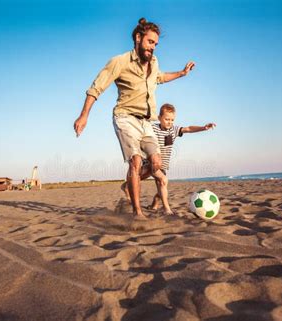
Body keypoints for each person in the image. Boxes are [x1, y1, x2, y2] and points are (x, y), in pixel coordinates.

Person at [74, 18, 195, 218]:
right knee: (136, 161)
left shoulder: (154, 62)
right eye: (150, 42)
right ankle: (137, 212)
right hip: (125, 118)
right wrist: (83, 115)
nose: (153, 48)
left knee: (156, 162)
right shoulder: (119, 62)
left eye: (156, 44)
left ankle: (128, 186)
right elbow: (96, 88)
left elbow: (160, 77)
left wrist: (182, 73)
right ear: (138, 38)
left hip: (147, 122)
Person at [121, 103, 216, 214]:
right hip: (150, 161)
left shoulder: (173, 130)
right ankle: (167, 209)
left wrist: (204, 128)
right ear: (159, 118)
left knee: (160, 186)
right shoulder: (152, 128)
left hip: (163, 164)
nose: (169, 122)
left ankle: (151, 202)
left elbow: (189, 128)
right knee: (163, 181)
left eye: (172, 120)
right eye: (167, 119)